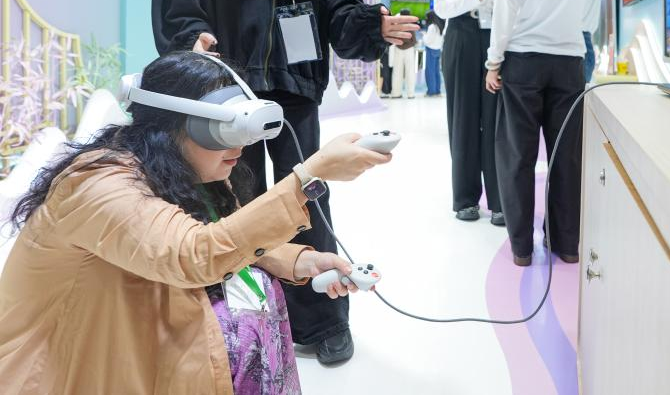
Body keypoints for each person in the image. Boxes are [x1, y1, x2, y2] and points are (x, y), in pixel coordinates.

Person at [150, 0, 418, 364]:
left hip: (296, 85)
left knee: (308, 196)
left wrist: (374, 26)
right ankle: (238, 320)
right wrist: (191, 38)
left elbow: (340, 10)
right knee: (235, 203)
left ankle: (322, 319)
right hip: (230, 87)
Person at [0, 52, 390, 394]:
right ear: (171, 125)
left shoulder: (188, 172)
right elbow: (193, 253)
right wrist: (307, 176)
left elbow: (224, 234)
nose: (240, 146)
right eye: (223, 129)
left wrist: (299, 261)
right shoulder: (101, 184)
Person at [485, 0, 599, 267]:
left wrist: (493, 61)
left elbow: (507, 6)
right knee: (566, 157)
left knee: (517, 157)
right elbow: (591, 4)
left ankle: (521, 248)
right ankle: (566, 244)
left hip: (524, 62)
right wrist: (575, 35)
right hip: (569, 60)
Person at [432, 0, 504, 225]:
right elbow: (442, 7)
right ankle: (465, 199)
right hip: (460, 36)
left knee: (495, 120)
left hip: (492, 39)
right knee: (463, 119)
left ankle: (499, 201)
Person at [389, 9, 418, 99]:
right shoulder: (410, 25)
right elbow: (414, 40)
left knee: (397, 72)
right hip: (409, 50)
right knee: (410, 72)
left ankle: (396, 93)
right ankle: (410, 94)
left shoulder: (397, 24)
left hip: (398, 49)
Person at [423, 10, 445, 96]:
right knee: (436, 72)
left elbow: (428, 40)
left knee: (430, 72)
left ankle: (431, 91)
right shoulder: (440, 26)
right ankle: (437, 90)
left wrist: (424, 35)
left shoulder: (432, 27)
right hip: (438, 50)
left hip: (431, 49)